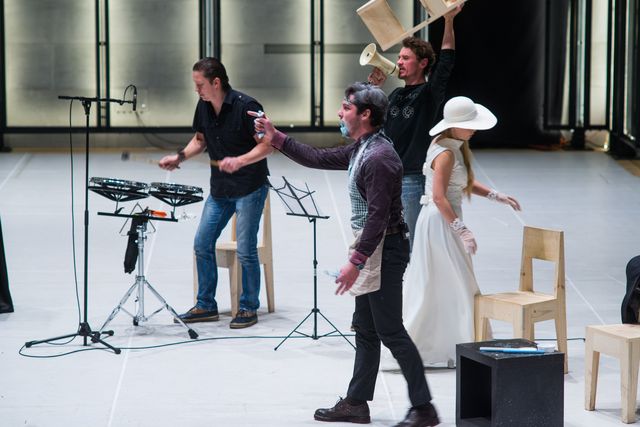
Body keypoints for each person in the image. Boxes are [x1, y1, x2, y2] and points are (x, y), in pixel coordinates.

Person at [252, 82, 439, 427]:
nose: (339, 112)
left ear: (365, 114)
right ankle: (356, 403)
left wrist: (356, 261)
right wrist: (276, 137)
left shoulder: (379, 158)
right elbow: (319, 157)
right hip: (374, 247)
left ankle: (424, 408)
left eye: (346, 107)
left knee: (390, 330)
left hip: (385, 249)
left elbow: (378, 218)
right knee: (365, 329)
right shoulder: (364, 148)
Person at [402, 96, 521, 367]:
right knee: (454, 281)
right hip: (440, 222)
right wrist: (461, 229)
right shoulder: (445, 153)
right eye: (470, 125)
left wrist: (495, 195)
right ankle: (452, 343)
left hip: (442, 220)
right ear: (454, 125)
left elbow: (462, 182)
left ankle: (456, 340)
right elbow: (439, 196)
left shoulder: (451, 146)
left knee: (449, 282)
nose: (474, 130)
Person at [159, 57, 273, 329]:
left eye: (200, 84)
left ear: (216, 82)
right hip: (221, 189)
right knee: (201, 243)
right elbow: (200, 140)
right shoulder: (204, 106)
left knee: (246, 250)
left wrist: (240, 160)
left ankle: (248, 307)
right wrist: (179, 157)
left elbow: (268, 145)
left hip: (250, 188)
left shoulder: (248, 107)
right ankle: (206, 305)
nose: (196, 89)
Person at [368, 6, 462, 248]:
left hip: (411, 178)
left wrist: (448, 21)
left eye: (405, 58)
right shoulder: (395, 95)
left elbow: (447, 61)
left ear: (423, 63)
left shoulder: (429, 93)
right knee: (391, 240)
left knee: (415, 242)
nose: (399, 62)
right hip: (389, 177)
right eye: (399, 57)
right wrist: (374, 90)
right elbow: (372, 126)